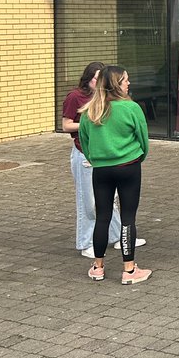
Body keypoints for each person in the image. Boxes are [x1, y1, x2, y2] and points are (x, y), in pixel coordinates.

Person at [78, 65, 151, 284]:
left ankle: (97, 267)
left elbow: (84, 142)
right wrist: (138, 156)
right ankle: (129, 270)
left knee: (102, 216)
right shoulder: (131, 108)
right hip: (129, 166)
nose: (129, 83)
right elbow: (143, 139)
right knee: (128, 217)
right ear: (117, 84)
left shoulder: (90, 110)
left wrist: (97, 158)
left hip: (101, 169)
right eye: (126, 80)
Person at [62, 61, 123, 258]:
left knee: (108, 198)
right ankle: (86, 242)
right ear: (88, 78)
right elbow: (66, 125)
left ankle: (116, 236)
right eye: (96, 78)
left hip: (103, 154)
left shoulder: (104, 97)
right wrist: (88, 124)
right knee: (88, 200)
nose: (98, 82)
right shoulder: (75, 97)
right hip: (84, 153)